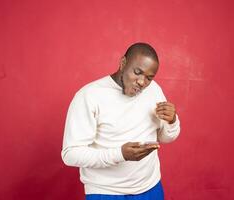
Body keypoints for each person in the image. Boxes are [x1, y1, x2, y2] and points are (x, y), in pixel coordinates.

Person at [61, 42, 181, 200]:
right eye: (137, 72)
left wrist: (172, 121)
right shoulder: (89, 96)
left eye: (149, 78)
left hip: (150, 188)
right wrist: (119, 154)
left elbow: (165, 138)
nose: (142, 82)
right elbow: (70, 154)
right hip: (106, 192)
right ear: (123, 63)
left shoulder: (154, 90)